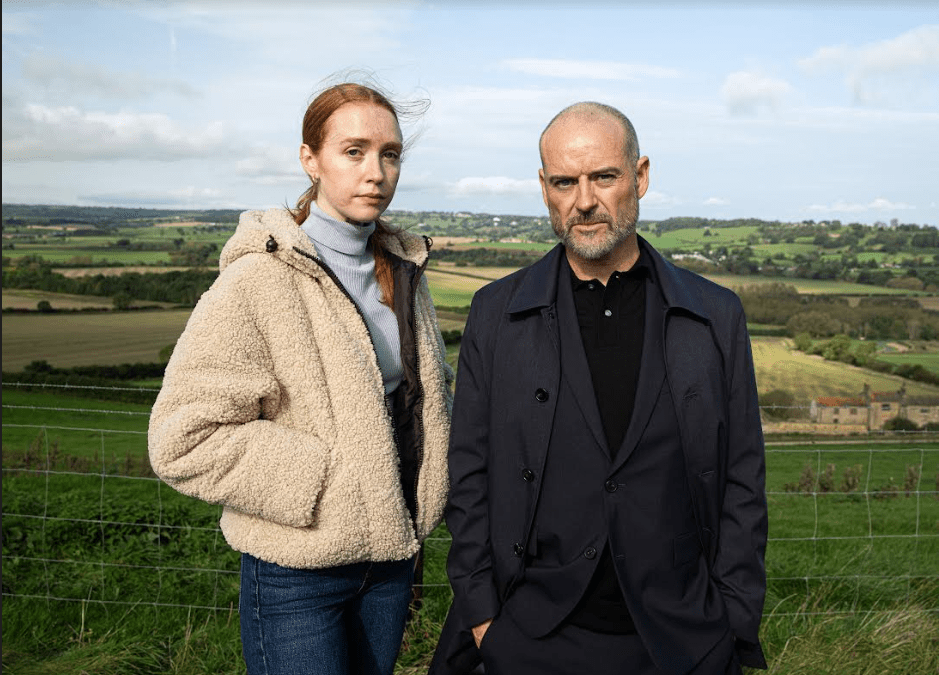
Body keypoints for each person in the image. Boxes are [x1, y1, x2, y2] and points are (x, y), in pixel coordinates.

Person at [431, 101, 768, 675]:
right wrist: (485, 619)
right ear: (544, 189)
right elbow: (468, 475)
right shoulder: (495, 313)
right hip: (530, 633)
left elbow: (742, 477)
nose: (584, 200)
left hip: (682, 638)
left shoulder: (714, 314)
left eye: (603, 177)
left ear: (640, 176)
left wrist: (732, 618)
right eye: (565, 181)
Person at [148, 81, 453, 675]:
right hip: (295, 571)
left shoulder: (403, 272)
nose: (376, 172)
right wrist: (327, 482)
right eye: (354, 151)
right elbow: (181, 438)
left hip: (390, 563)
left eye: (390, 154)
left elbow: (423, 406)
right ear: (310, 159)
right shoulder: (259, 280)